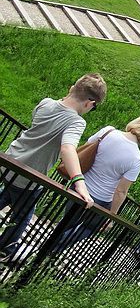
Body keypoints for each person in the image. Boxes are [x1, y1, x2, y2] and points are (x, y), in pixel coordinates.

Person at [0, 74, 105, 262]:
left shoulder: (46, 102)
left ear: (73, 88)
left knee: (7, 193)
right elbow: (67, 148)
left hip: (10, 159)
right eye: (94, 107)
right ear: (90, 103)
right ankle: (5, 250)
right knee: (23, 214)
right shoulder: (76, 121)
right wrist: (79, 183)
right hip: (29, 173)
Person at [52, 114, 140, 252]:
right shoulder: (137, 159)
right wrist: (111, 216)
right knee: (90, 228)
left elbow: (85, 148)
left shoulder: (108, 131)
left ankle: (49, 246)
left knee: (67, 221)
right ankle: (55, 249)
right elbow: (121, 191)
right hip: (101, 200)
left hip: (79, 186)